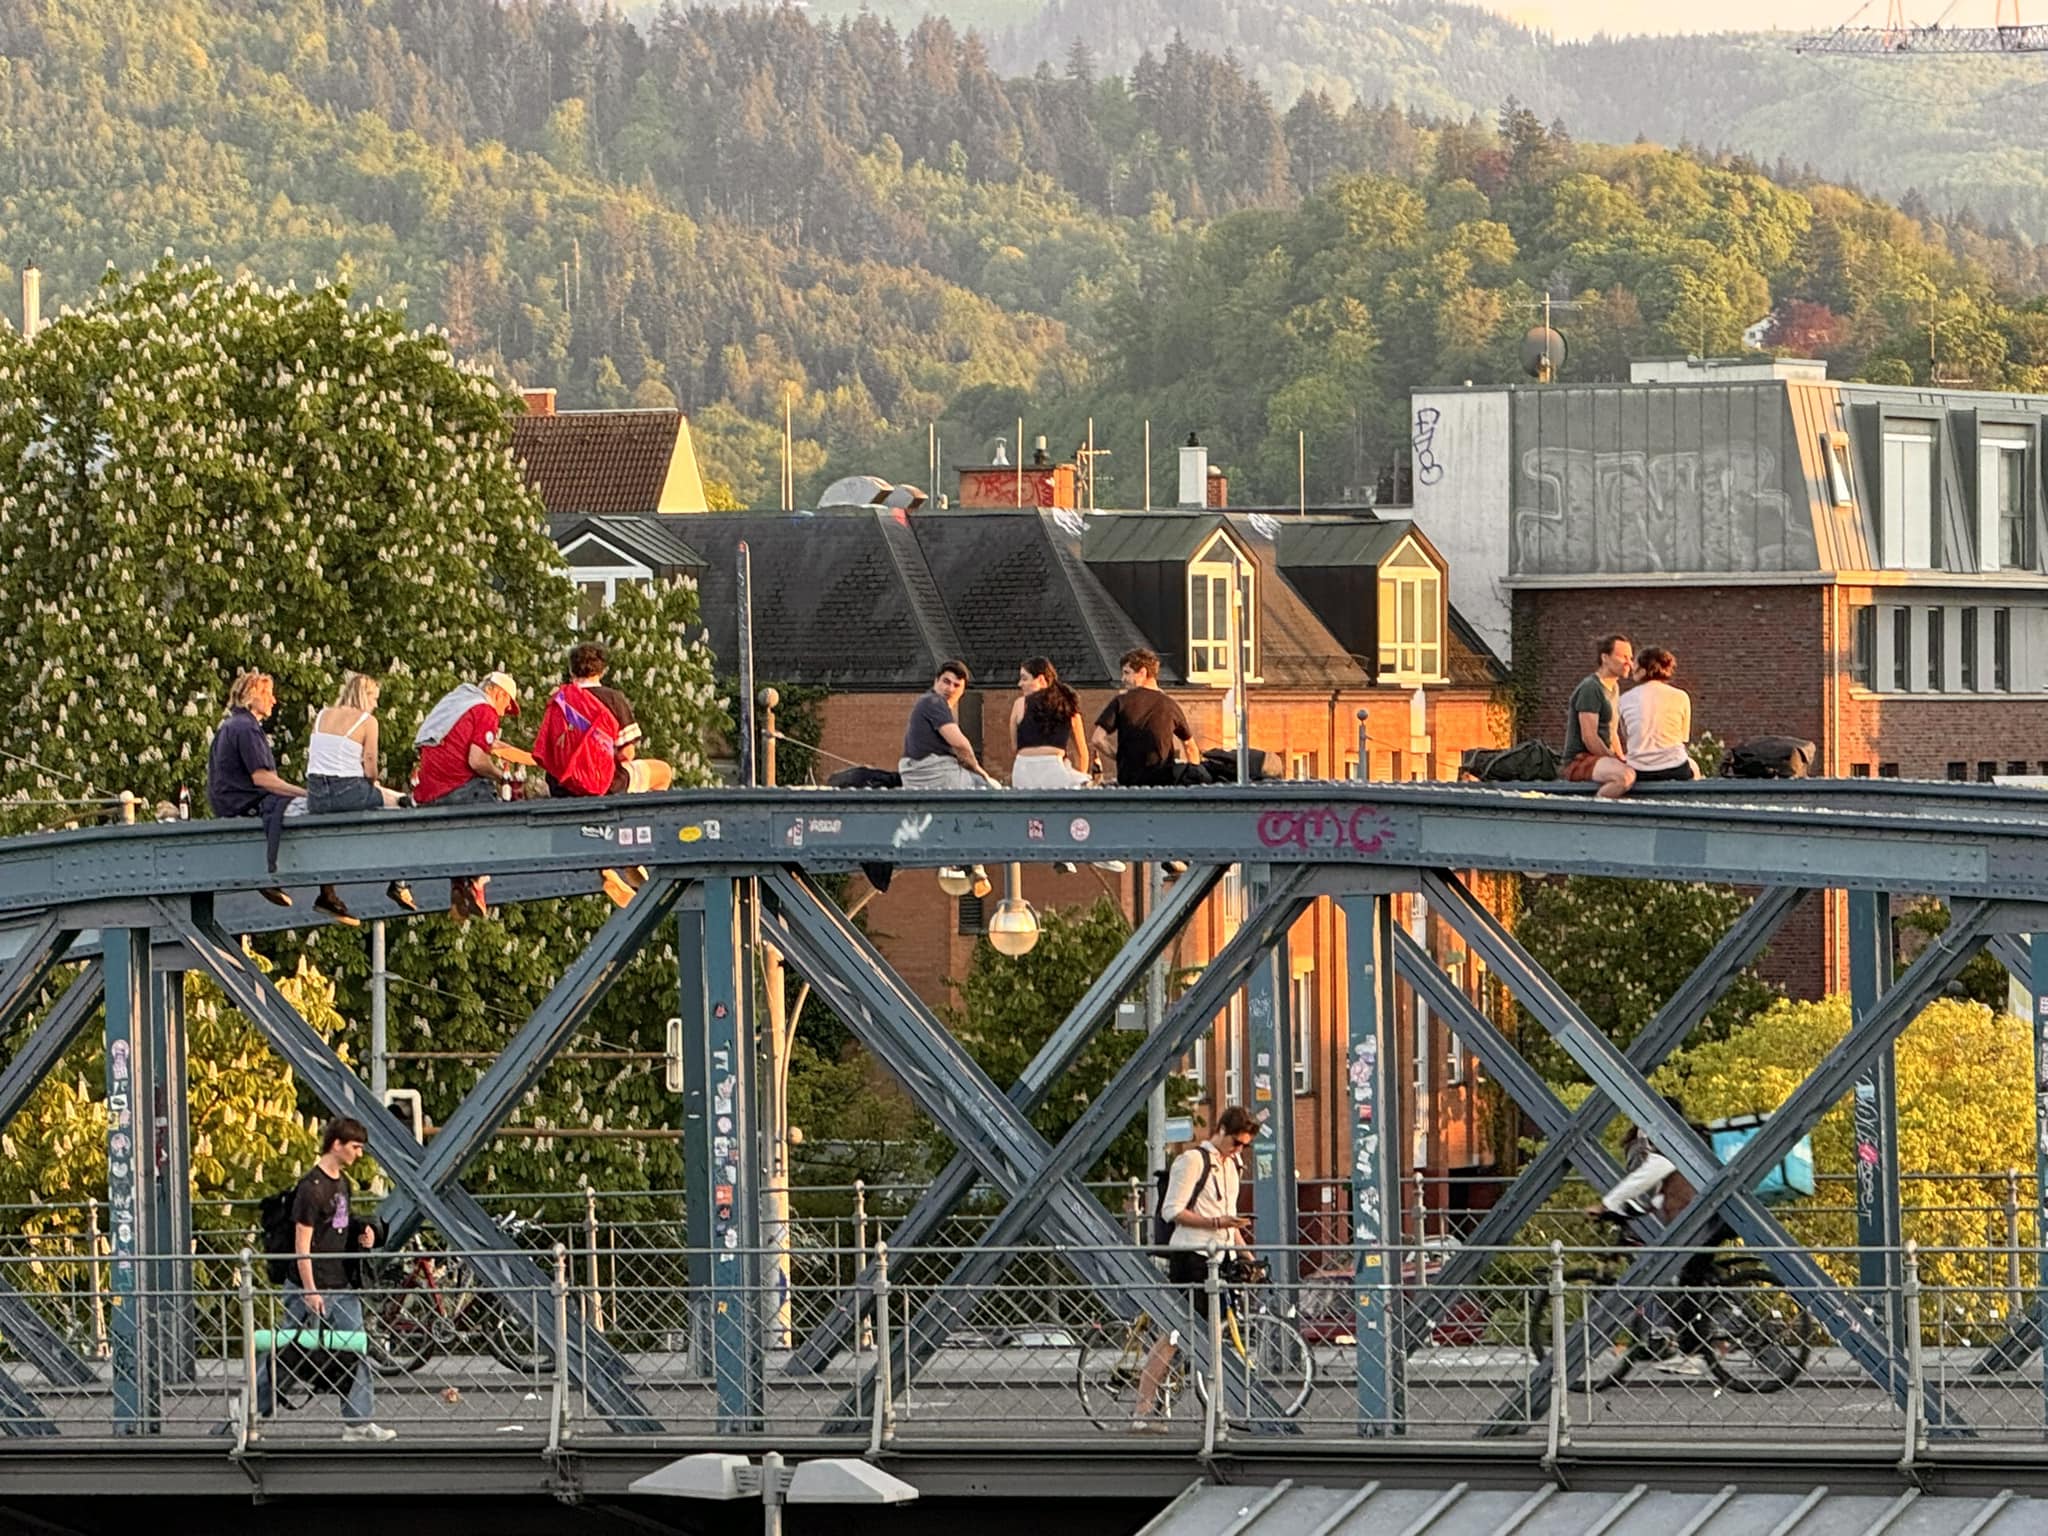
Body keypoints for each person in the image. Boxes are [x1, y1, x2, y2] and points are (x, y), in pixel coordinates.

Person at [253, 1116, 395, 1443]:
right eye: (355, 1147)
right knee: (287, 1351)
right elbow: (302, 1245)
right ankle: (247, 1412)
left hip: (340, 1285)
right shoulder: (310, 1190)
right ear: (337, 1145)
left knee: (355, 1347)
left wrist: (365, 1236)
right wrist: (310, 1290)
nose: (359, 1154)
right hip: (311, 1285)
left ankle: (357, 1423)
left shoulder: (341, 1184)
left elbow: (339, 1229)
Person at [1583, 1098, 1733, 1377]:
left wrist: (1606, 1205)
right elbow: (1659, 1197)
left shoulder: (1670, 1145)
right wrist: (1624, 1211)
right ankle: (1698, 1341)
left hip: (1708, 1221)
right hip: (1714, 1217)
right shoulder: (1688, 1142)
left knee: (1687, 1280)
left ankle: (1694, 1355)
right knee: (1693, 1277)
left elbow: (1644, 1178)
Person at [1133, 1105, 1258, 1432]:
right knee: (1175, 1334)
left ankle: (1216, 1411)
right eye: (1235, 1142)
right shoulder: (1191, 1161)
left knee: (1211, 1335)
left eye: (1244, 1145)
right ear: (1220, 1131)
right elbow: (1172, 1211)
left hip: (1220, 1258)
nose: (1238, 1150)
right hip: (1191, 1256)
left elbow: (1230, 1221)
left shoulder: (1232, 1166)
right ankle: (1143, 1410)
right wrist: (1215, 1222)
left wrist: (1248, 1258)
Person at [206, 670, 356, 925]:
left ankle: (314, 889)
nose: (274, 700)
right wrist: (306, 793)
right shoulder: (247, 729)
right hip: (251, 803)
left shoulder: (229, 726)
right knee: (321, 811)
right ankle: (325, 893)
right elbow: (263, 779)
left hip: (229, 803)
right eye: (268, 694)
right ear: (251, 697)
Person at [537, 643, 674, 906]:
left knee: (589, 816)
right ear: (602, 669)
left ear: (570, 670)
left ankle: (607, 868)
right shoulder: (612, 698)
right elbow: (627, 754)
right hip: (605, 783)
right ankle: (635, 850)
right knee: (662, 772)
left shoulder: (559, 700)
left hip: (562, 786)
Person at [412, 671, 521, 921]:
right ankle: (478, 881)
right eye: (507, 704)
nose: (504, 712)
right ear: (498, 692)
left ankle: (458, 883)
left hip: (428, 793)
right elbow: (476, 760)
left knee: (458, 836)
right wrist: (502, 777)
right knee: (499, 817)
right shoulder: (485, 710)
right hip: (458, 788)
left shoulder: (455, 703)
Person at [304, 672, 416, 912]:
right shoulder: (367, 721)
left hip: (316, 795)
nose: (376, 704)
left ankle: (327, 892)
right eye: (374, 698)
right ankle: (399, 881)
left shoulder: (322, 715)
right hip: (347, 790)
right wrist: (374, 784)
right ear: (365, 697)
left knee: (329, 832)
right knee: (402, 803)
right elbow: (370, 765)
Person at [1090, 648, 1201, 787]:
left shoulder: (1122, 701)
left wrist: (1120, 757)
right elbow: (1190, 747)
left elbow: (1097, 739)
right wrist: (1193, 779)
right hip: (1163, 785)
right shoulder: (1170, 705)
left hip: (1129, 785)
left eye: (1127, 673)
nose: (1123, 679)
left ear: (1142, 672)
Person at [898, 659, 997, 790]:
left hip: (919, 772)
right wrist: (980, 771)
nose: (950, 689)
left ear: (963, 691)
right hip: (933, 770)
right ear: (936, 681)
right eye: (946, 682)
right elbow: (960, 744)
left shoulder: (926, 701)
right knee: (986, 787)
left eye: (956, 685)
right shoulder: (934, 702)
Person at [1562, 634, 1636, 800]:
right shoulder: (1591, 688)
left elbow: (1612, 732)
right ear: (1605, 658)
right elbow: (1589, 737)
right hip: (1580, 761)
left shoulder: (1614, 688)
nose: (1629, 663)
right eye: (1623, 657)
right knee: (1624, 777)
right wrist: (1613, 760)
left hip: (1600, 758)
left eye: (1631, 658)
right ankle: (1593, 808)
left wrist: (1621, 757)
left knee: (1634, 770)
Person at [1617, 647, 1698, 785]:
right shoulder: (1681, 696)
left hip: (1638, 769)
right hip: (1675, 767)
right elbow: (1682, 738)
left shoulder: (1624, 699)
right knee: (1694, 767)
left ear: (1643, 670)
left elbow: (1627, 736)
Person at [1009, 657, 1090, 789]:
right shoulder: (1069, 706)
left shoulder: (1020, 704)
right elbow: (1082, 753)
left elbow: (1015, 747)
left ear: (1041, 679)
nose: (1019, 684)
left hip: (1023, 769)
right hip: (1054, 768)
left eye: (1024, 679)